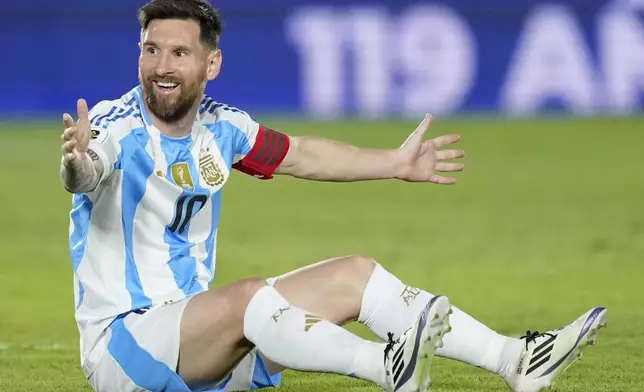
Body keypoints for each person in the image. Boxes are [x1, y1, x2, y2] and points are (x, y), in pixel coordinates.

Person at [59, 1, 607, 391]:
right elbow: (88, 172)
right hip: (127, 349)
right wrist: (78, 162)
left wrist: (395, 163)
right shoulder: (115, 124)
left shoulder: (224, 130)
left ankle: (515, 359)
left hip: (201, 340)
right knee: (250, 297)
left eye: (178, 52)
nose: (162, 67)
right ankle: (384, 366)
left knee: (355, 274)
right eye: (151, 50)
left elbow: (303, 155)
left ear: (211, 64)